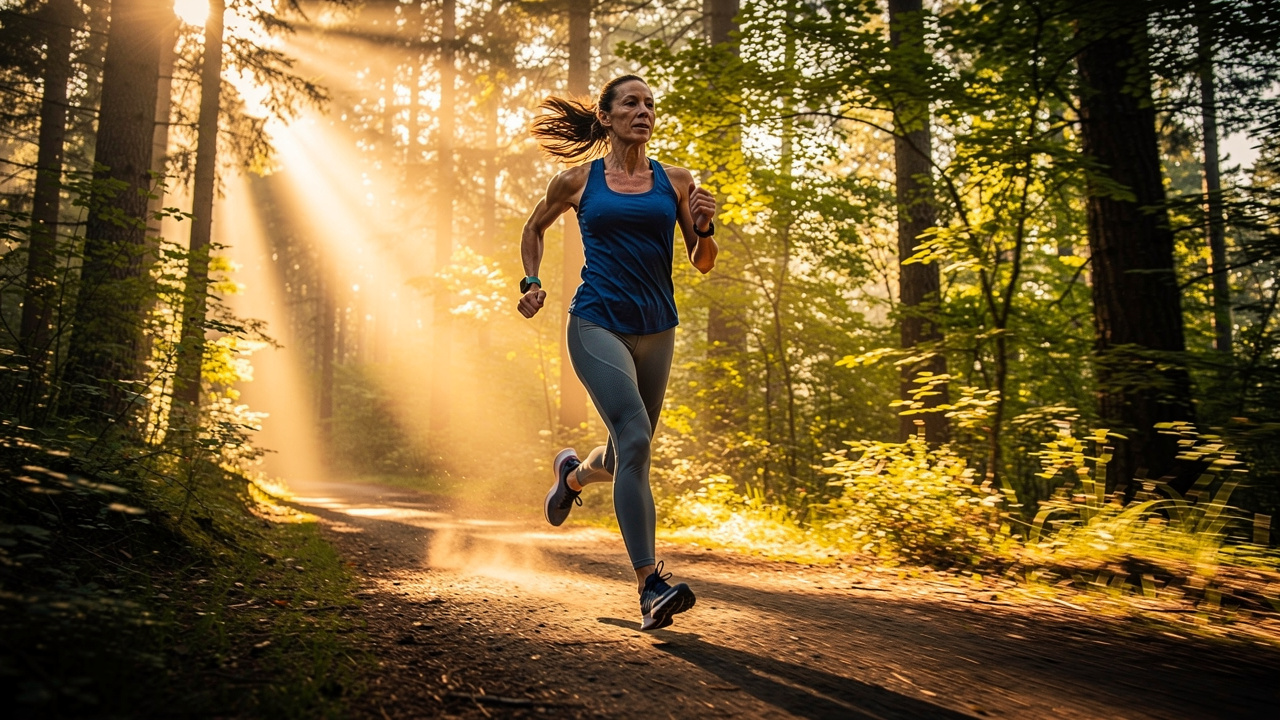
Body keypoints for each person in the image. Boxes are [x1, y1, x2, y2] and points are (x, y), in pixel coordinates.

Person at [516, 75, 718, 631]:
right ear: (605, 117)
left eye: (651, 104)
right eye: (631, 102)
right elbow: (533, 227)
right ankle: (650, 585)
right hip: (596, 323)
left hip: (658, 330)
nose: (644, 111)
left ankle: (572, 477)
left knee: (627, 449)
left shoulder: (675, 181)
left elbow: (702, 261)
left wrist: (704, 226)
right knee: (635, 439)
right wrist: (530, 281)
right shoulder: (577, 181)